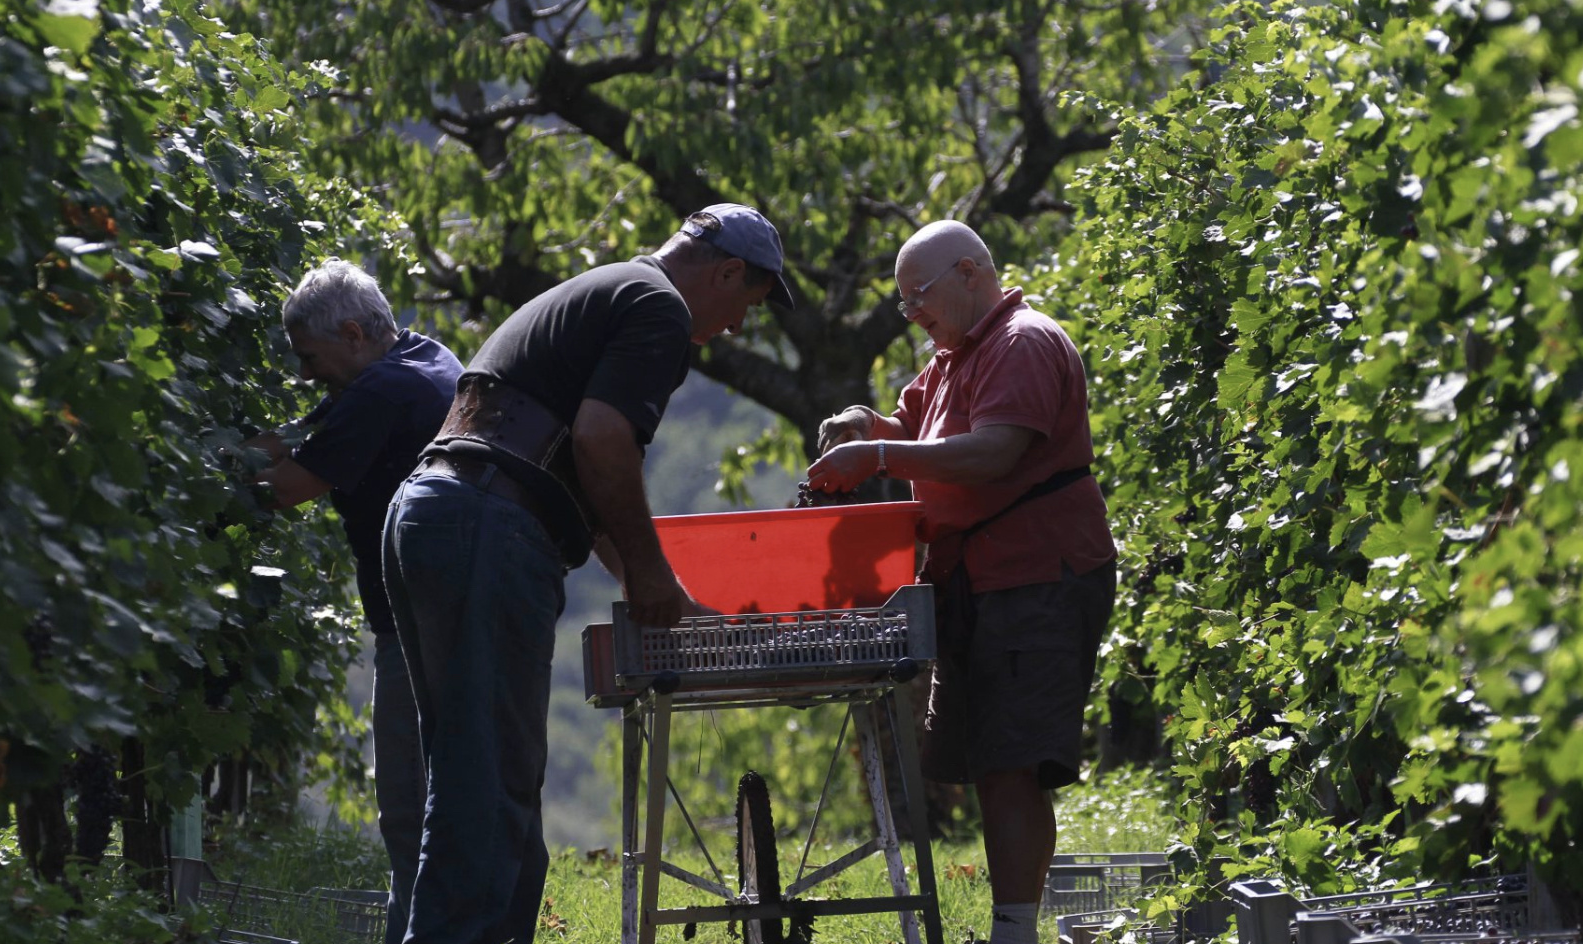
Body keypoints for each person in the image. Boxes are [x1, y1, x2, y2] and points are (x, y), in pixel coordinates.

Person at [381, 204, 795, 944]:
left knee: (471, 771)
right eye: (745, 306)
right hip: (485, 522)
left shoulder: (607, 288)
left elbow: (581, 469)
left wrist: (653, 582)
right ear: (728, 271)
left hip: (432, 507)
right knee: (487, 784)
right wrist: (647, 576)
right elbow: (606, 444)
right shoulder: (659, 307)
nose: (735, 327)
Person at [806, 220, 1115, 944]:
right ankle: (1014, 928)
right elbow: (908, 424)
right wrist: (863, 425)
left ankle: (1013, 936)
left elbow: (990, 454)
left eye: (919, 296)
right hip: (977, 582)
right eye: (902, 304)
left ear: (972, 274)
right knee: (987, 763)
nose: (912, 314)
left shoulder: (1023, 342)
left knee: (1011, 766)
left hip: (1034, 575)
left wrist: (878, 456)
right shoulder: (953, 356)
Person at [242, 259, 463, 944]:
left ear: (353, 333)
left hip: (416, 622)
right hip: (459, 604)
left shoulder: (380, 394)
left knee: (406, 805)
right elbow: (320, 419)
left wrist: (200, 485)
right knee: (457, 794)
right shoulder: (425, 357)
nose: (307, 374)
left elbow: (285, 487)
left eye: (311, 358)